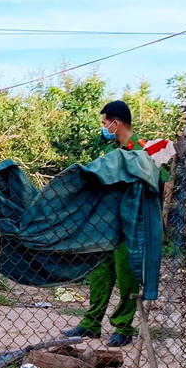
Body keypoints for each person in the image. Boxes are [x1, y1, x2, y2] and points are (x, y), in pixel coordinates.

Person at [62, 99, 145, 347]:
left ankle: (123, 328)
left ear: (115, 123)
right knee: (99, 274)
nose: (103, 127)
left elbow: (156, 182)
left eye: (104, 123)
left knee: (127, 277)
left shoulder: (140, 149)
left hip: (127, 226)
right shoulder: (112, 152)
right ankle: (91, 324)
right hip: (105, 227)